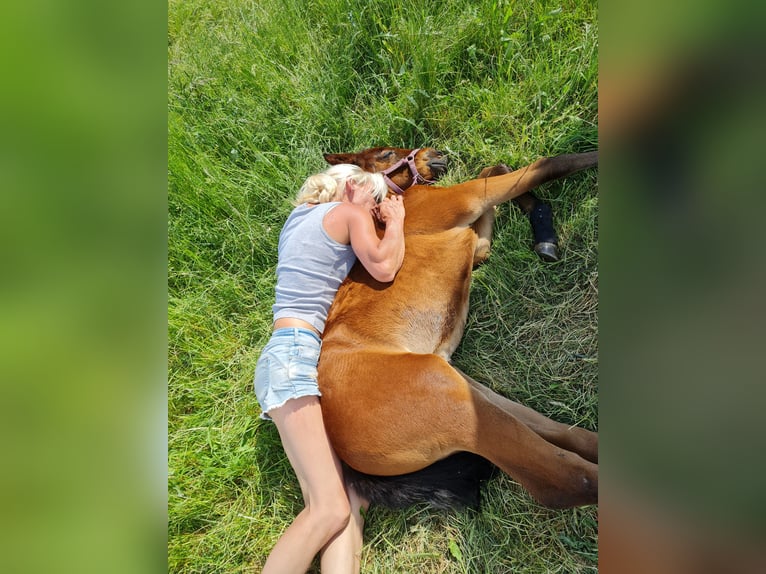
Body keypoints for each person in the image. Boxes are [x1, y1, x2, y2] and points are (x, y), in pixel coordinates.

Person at [254, 163, 406, 573]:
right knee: (328, 509)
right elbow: (384, 267)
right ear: (354, 186)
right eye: (375, 203)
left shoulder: (296, 218)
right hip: (294, 356)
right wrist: (396, 222)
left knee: (350, 497)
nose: (373, 216)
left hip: (284, 357)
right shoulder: (349, 212)